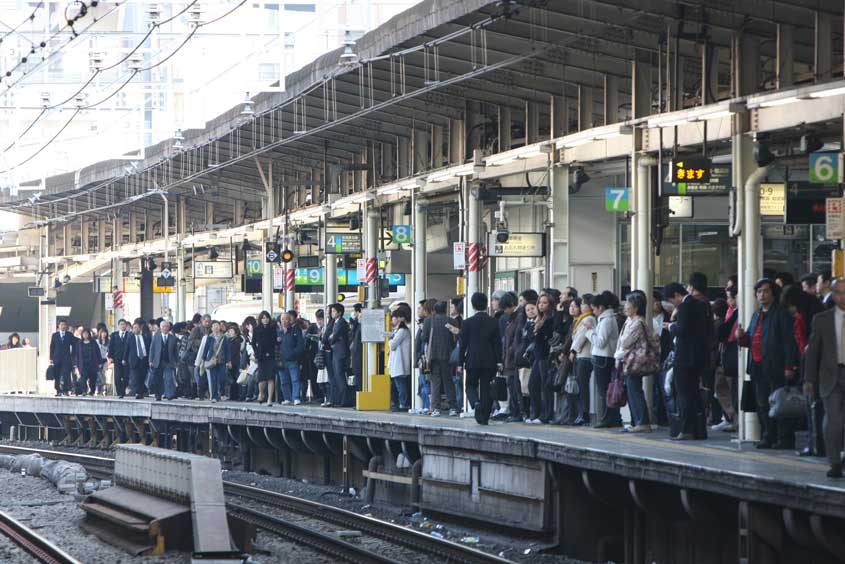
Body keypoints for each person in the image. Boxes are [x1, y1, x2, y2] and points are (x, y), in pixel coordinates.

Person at [736, 278, 798, 449]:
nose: (762, 295)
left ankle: (784, 438)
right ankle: (768, 435)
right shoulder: (756, 314)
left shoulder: (781, 314)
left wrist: (789, 365)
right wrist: (741, 337)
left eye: (765, 291)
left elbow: (789, 342)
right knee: (762, 403)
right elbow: (750, 339)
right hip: (757, 365)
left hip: (776, 366)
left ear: (773, 294)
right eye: (759, 292)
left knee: (779, 402)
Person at [804, 278, 845, 478]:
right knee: (833, 419)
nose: (843, 297)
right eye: (839, 292)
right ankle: (834, 461)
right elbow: (813, 351)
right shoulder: (822, 319)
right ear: (833, 294)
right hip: (831, 375)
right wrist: (809, 379)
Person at [664, 282, 710, 440]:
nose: (673, 304)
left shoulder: (684, 307)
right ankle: (699, 430)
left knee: (683, 395)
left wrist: (671, 327)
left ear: (677, 295)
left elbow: (682, 330)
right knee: (695, 394)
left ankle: (687, 429)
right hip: (698, 356)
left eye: (671, 300)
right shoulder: (700, 304)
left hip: (684, 358)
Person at [458, 292, 502, 426]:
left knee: (470, 385)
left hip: (472, 360)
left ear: (473, 305)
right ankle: (485, 417)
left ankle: (475, 403)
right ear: (486, 304)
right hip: (490, 360)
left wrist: (460, 363)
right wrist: (499, 361)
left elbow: (462, 345)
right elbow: (497, 343)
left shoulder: (467, 323)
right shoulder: (493, 321)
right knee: (486, 388)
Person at [614, 292, 656, 432]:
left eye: (628, 303)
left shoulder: (638, 323)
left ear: (636, 307)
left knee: (635, 391)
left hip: (634, 362)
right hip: (628, 361)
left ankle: (643, 422)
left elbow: (626, 342)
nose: (625, 306)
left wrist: (619, 352)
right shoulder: (630, 321)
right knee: (632, 391)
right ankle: (636, 421)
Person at [586, 293, 621, 428]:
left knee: (603, 390)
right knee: (607, 389)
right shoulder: (606, 319)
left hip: (603, 357)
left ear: (600, 307)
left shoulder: (607, 320)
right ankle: (613, 418)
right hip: (604, 357)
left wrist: (589, 331)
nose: (593, 311)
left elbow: (600, 342)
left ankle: (606, 418)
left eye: (594, 308)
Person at [424, 301, 459, 417]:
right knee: (448, 381)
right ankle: (453, 407)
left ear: (434, 310)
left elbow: (424, 338)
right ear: (445, 309)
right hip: (448, 355)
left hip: (433, 355)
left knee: (435, 381)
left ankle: (435, 408)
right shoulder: (451, 321)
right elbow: (456, 338)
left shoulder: (428, 321)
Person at [713, 286, 739, 432]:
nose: (727, 300)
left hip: (732, 355)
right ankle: (731, 417)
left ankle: (735, 419)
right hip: (726, 355)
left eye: (729, 297)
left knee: (732, 388)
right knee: (722, 386)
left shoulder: (739, 312)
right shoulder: (731, 312)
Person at [527, 293, 555, 424]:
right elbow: (530, 337)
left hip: (545, 355)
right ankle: (536, 413)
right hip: (537, 356)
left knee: (545, 386)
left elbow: (543, 337)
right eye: (540, 303)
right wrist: (534, 329)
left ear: (550, 305)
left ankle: (547, 415)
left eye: (544, 303)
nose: (541, 305)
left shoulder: (550, 319)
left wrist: (537, 332)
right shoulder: (538, 319)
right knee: (532, 384)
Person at [569, 296, 596, 426]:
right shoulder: (583, 318)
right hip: (582, 355)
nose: (582, 306)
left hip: (584, 355)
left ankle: (584, 414)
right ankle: (582, 413)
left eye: (584, 304)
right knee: (581, 385)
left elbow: (581, 337)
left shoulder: (588, 319)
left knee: (582, 386)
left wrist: (573, 350)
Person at [196, 321, 229, 403]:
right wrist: (203, 359)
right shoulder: (209, 338)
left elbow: (227, 350)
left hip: (222, 360)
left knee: (222, 378)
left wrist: (229, 360)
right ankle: (214, 396)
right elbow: (206, 348)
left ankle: (222, 393)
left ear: (220, 327)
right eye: (214, 326)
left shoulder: (224, 337)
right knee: (213, 379)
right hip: (211, 361)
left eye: (217, 326)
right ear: (211, 328)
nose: (216, 328)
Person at [386, 308, 412, 411]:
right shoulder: (399, 331)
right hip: (398, 362)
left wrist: (390, 340)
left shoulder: (402, 331)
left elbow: (393, 345)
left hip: (400, 362)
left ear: (399, 319)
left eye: (394, 318)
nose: (392, 320)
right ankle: (402, 403)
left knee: (401, 385)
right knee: (399, 384)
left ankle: (403, 404)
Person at [278, 312, 305, 405]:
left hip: (292, 360)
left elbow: (300, 345)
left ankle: (296, 397)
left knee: (295, 379)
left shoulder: (295, 331)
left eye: (286, 319)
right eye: (282, 319)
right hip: (281, 360)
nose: (284, 321)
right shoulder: (278, 333)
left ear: (290, 320)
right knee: (283, 381)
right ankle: (287, 398)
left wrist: (294, 354)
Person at [148, 320, 178, 401]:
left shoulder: (173, 338)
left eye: (167, 327)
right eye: (163, 327)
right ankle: (158, 395)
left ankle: (169, 394)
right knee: (158, 379)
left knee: (168, 378)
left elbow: (175, 351)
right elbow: (152, 349)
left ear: (169, 328)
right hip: (158, 361)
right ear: (160, 328)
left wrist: (176, 362)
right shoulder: (156, 336)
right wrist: (150, 360)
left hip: (168, 361)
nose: (165, 328)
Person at [327, 303, 350, 408]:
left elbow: (334, 336)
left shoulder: (341, 322)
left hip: (340, 351)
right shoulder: (335, 322)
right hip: (336, 351)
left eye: (334, 311)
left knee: (339, 375)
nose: (332, 313)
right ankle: (338, 398)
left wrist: (330, 339)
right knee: (336, 375)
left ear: (339, 313)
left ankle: (344, 399)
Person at [253, 311, 277, 406]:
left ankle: (269, 399)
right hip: (261, 356)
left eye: (267, 317)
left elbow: (275, 341)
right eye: (263, 318)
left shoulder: (273, 328)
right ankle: (261, 393)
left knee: (271, 378)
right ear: (260, 319)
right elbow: (253, 343)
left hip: (271, 355)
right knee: (262, 378)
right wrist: (257, 353)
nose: (265, 319)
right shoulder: (257, 329)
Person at [49, 320, 76, 396]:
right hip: (57, 358)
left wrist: (73, 356)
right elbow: (52, 347)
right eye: (61, 325)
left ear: (66, 326)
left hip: (66, 358)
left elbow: (74, 345)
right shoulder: (55, 335)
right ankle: (58, 390)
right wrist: (51, 358)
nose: (63, 326)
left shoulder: (69, 335)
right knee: (57, 374)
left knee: (66, 374)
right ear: (59, 326)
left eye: (64, 325)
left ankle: (66, 390)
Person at [124, 321, 149, 399]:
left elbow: (149, 348)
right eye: (133, 328)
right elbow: (126, 349)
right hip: (134, 360)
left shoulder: (145, 337)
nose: (134, 329)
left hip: (143, 360)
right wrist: (124, 359)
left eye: (136, 327)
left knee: (142, 377)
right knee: (135, 377)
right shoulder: (130, 338)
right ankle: (135, 392)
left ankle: (141, 392)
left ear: (140, 328)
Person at [76, 328, 102, 396]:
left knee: (93, 378)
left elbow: (98, 352)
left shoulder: (93, 342)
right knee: (83, 378)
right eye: (84, 334)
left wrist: (99, 362)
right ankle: (84, 390)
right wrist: (77, 364)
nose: (85, 335)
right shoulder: (79, 343)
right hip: (83, 363)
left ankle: (92, 390)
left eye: (86, 333)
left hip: (92, 363)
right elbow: (77, 354)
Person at [108, 319, 131, 398]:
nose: (122, 326)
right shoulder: (114, 335)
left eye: (124, 324)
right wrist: (110, 357)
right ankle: (119, 392)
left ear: (126, 325)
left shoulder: (129, 335)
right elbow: (111, 346)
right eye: (121, 324)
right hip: (117, 358)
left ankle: (123, 390)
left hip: (126, 358)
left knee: (126, 376)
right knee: (117, 376)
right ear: (118, 325)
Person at [226, 324, 242, 401]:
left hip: (236, 361)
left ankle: (237, 395)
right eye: (229, 331)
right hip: (231, 361)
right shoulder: (229, 340)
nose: (230, 332)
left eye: (232, 331)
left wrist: (230, 361)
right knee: (232, 379)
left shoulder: (238, 340)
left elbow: (234, 352)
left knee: (236, 379)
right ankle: (232, 395)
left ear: (236, 332)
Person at [349, 304, 363, 393]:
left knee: (359, 374)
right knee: (357, 374)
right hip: (356, 354)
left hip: (359, 354)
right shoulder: (356, 324)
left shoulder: (361, 324)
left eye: (355, 311)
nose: (353, 313)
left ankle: (361, 392)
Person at [95, 328, 110, 396]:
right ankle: (99, 387)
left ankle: (104, 388)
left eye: (105, 333)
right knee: (98, 373)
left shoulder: (108, 342)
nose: (104, 334)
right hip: (98, 359)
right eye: (102, 333)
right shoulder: (97, 342)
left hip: (105, 359)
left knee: (103, 372)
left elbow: (109, 351)